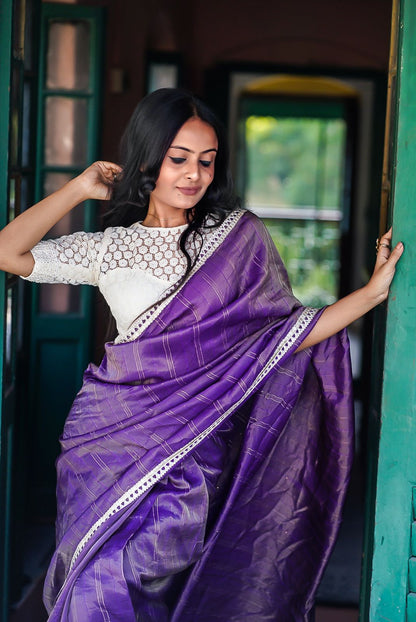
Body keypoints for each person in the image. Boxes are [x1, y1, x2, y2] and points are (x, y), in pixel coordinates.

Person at [0, 88, 403, 622]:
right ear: (148, 160)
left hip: (191, 453)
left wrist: (370, 295)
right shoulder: (108, 247)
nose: (195, 174)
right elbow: (8, 252)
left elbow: (283, 337)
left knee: (138, 578)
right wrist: (78, 188)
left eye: (207, 162)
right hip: (105, 444)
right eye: (179, 159)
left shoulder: (237, 240)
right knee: (94, 586)